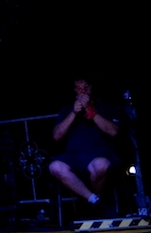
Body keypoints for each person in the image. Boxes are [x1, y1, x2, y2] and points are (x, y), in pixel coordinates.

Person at [50, 76, 121, 211]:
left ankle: (98, 202)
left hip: (100, 152)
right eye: (79, 88)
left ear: (92, 88)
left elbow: (113, 132)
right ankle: (95, 202)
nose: (83, 92)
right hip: (74, 155)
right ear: (74, 91)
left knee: (100, 165)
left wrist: (91, 112)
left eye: (86, 87)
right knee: (55, 166)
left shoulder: (106, 106)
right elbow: (56, 136)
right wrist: (74, 113)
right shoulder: (67, 108)